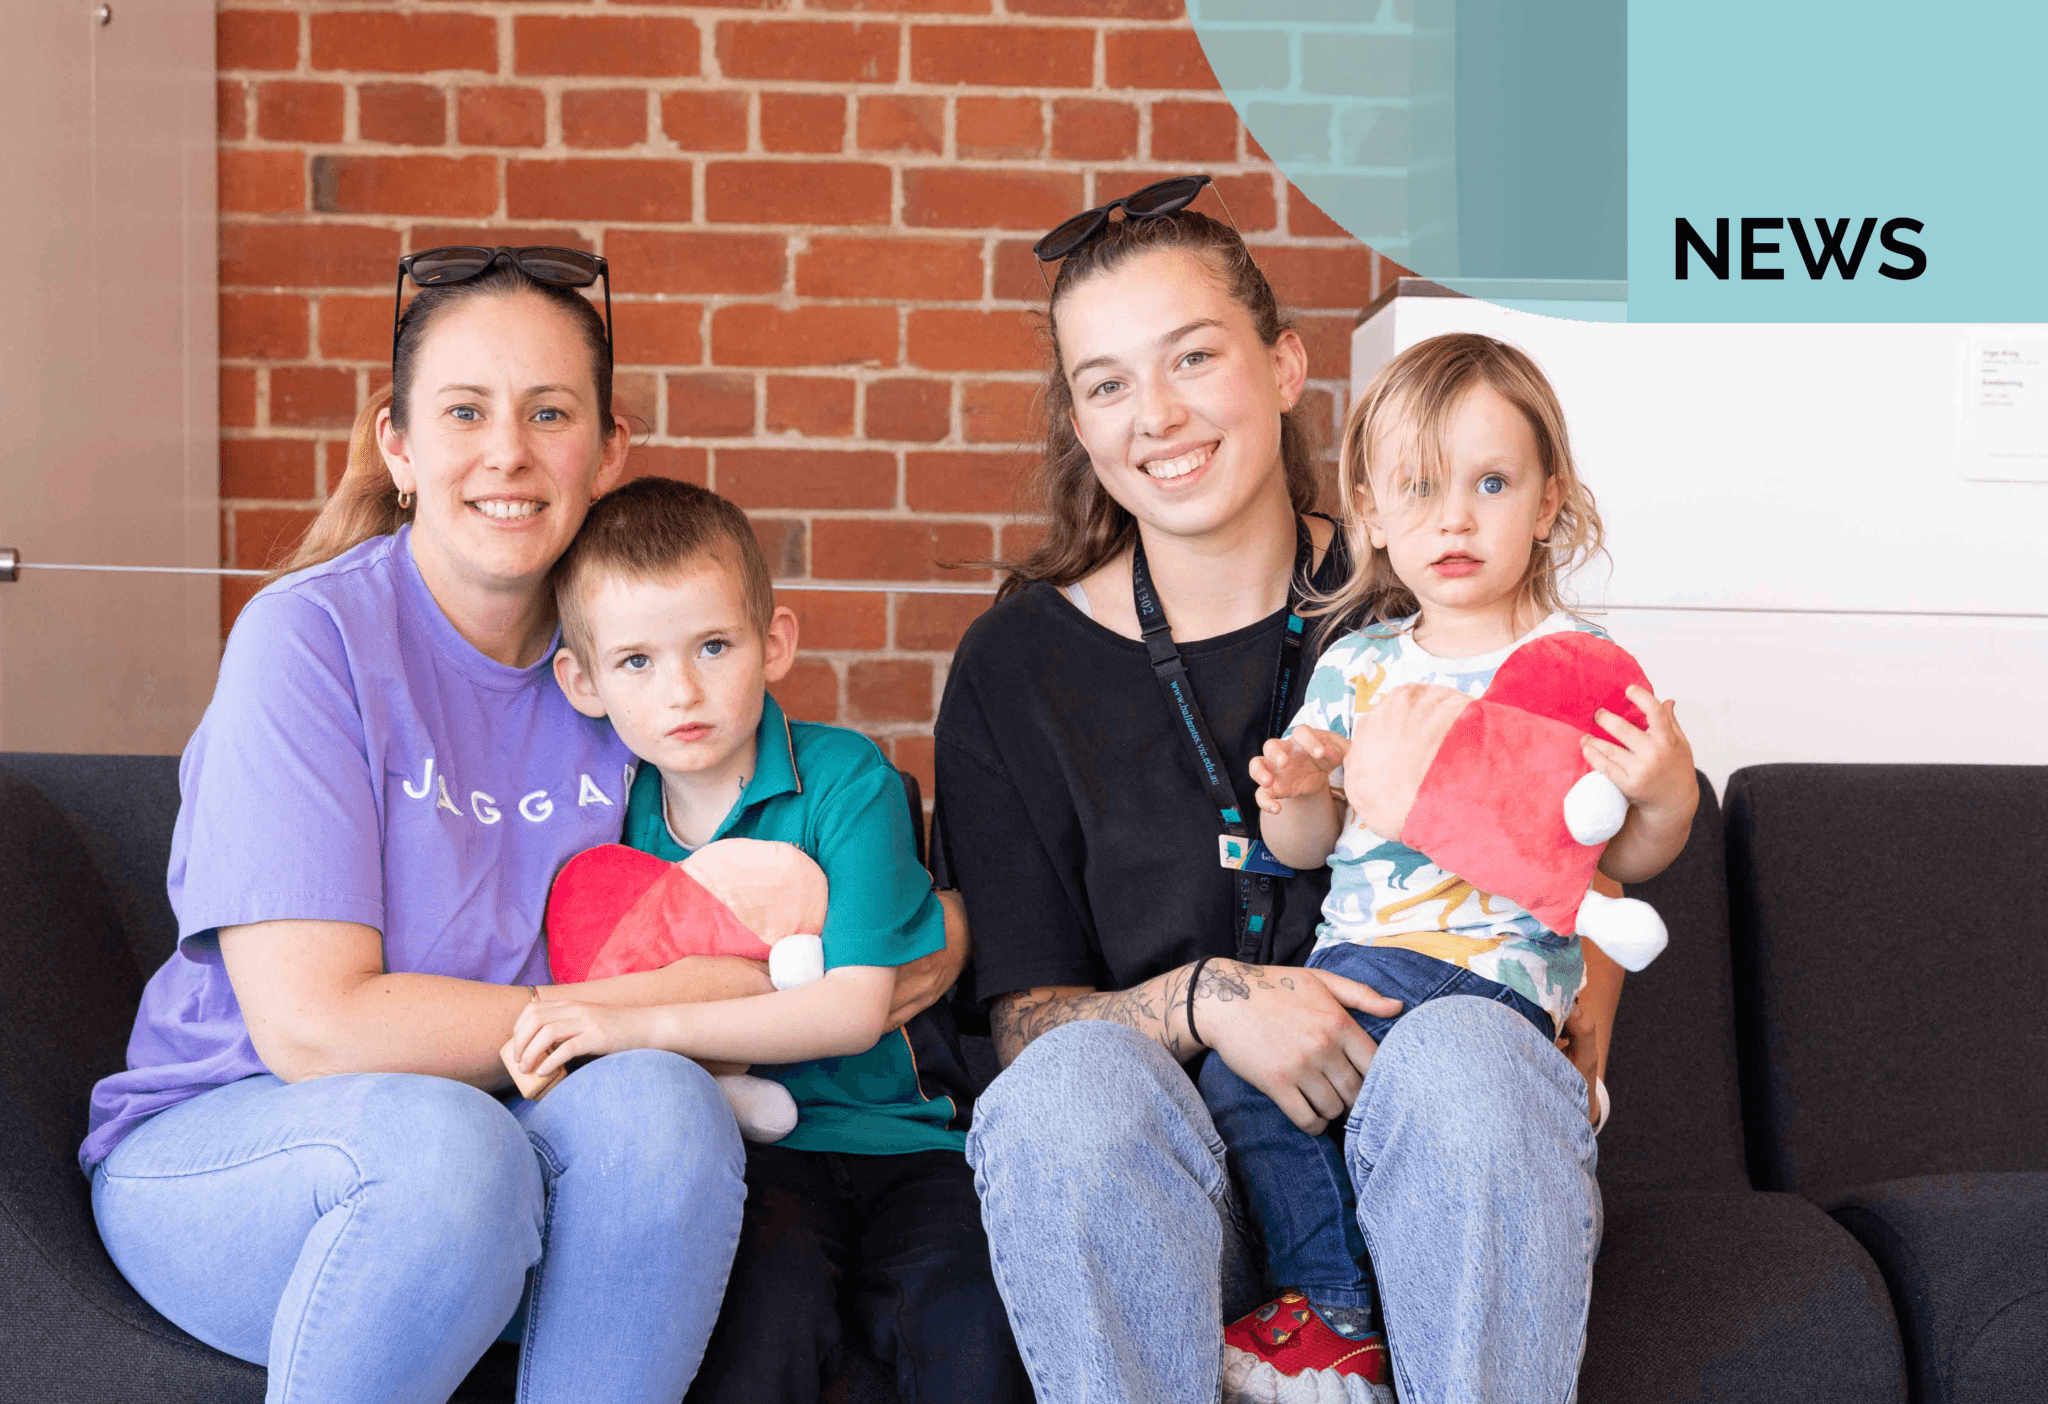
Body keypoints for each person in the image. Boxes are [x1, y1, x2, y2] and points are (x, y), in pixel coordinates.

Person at [79, 249, 964, 1404]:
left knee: (661, 1108)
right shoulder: (307, 643)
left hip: (503, 1128)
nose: (507, 452)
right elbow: (316, 1028)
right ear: (398, 444)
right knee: (462, 1154)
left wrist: (923, 934)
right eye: (463, 412)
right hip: (240, 1141)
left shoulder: (625, 667)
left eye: (549, 413)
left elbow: (790, 913)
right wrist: (607, 1016)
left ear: (607, 451)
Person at [932, 184, 1674, 1403]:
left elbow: (1580, 837)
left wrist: (1574, 986)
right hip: (1176, 1195)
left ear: (1282, 368)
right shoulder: (1015, 669)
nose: (1156, 415)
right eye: (1108, 383)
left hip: (1430, 1155)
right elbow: (1016, 1030)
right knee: (1063, 1096)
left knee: (1468, 1065)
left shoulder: (1431, 583)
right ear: (1079, 421)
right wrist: (1216, 1001)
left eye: (1192, 357)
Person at [1210, 331, 1698, 1400]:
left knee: (1430, 1082)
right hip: (1359, 965)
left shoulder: (1578, 668)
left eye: (1490, 483)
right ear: (1372, 513)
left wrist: (1664, 785)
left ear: (1548, 500)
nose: (1455, 519)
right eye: (1419, 490)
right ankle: (1334, 1306)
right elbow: (1307, 852)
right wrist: (1292, 796)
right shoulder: (1358, 664)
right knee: (1239, 1084)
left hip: (1492, 981)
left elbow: (1628, 856)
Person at [506, 475, 1026, 1404]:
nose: (683, 691)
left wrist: (639, 1026)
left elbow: (856, 1007)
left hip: (900, 1141)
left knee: (967, 1321)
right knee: (759, 1326)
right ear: (582, 681)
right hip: (748, 1155)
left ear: (773, 642)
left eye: (713, 645)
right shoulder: (605, 823)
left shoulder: (844, 778)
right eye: (636, 662)